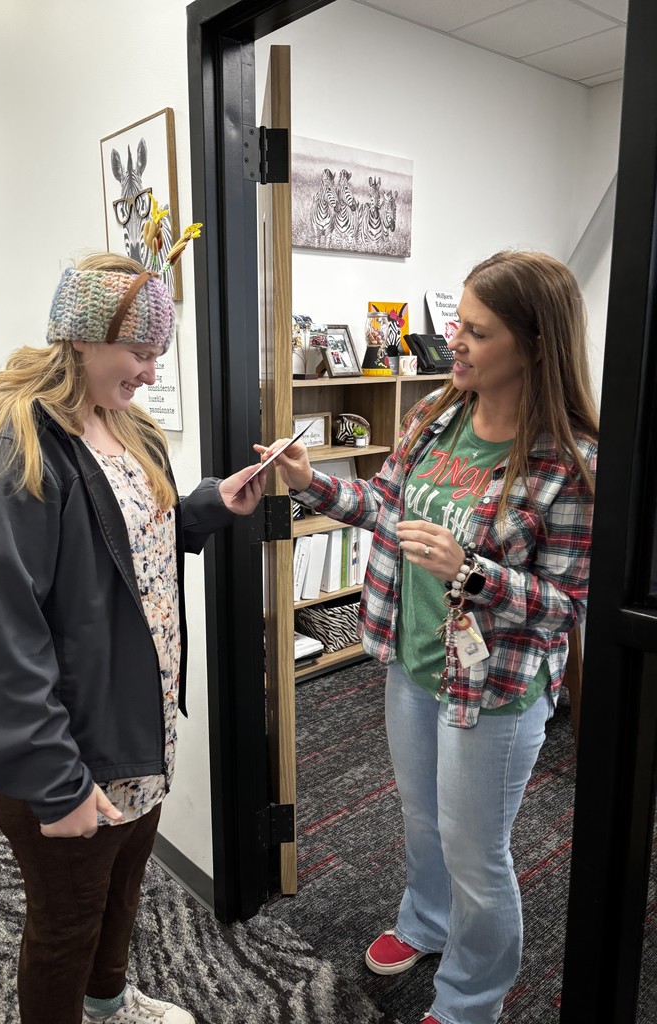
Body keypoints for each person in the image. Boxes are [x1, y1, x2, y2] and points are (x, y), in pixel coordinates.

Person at [258, 250, 598, 1024]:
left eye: (476, 331)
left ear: (535, 344)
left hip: (498, 689)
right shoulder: (434, 413)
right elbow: (384, 504)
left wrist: (472, 572)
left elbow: (566, 607)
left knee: (479, 856)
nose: (455, 343)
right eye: (458, 324)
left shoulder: (568, 462)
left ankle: (472, 998)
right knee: (422, 821)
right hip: (412, 665)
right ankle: (424, 921)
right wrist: (312, 482)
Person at [0, 253, 267, 1024]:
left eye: (160, 354)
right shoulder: (14, 447)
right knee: (64, 921)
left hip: (137, 726)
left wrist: (210, 505)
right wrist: (56, 780)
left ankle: (111, 1005)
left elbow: (130, 545)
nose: (152, 374)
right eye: (142, 353)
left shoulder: (129, 427)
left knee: (122, 886)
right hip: (65, 748)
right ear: (82, 341)